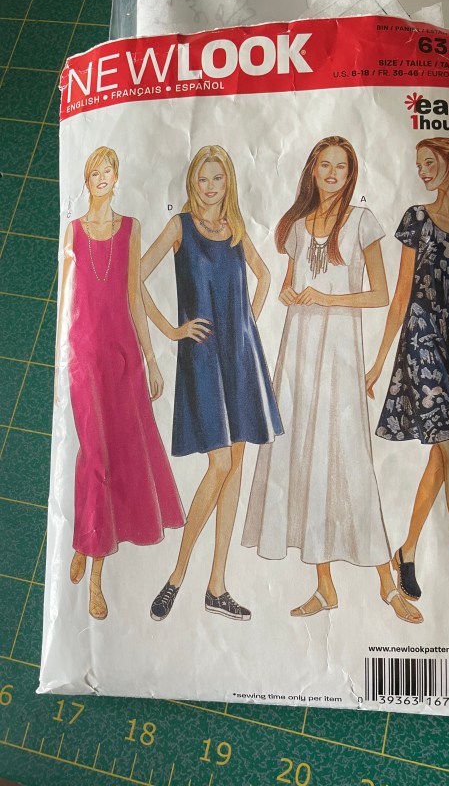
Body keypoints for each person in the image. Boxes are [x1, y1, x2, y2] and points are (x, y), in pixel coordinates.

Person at [243, 136, 422, 624]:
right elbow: (287, 285)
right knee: (304, 458)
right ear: (312, 169)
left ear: (350, 174)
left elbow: (380, 294)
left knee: (351, 461)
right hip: (300, 351)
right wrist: (291, 293)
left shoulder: (362, 221)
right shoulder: (299, 226)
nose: (332, 173)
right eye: (325, 164)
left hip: (340, 351)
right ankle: (324, 587)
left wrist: (327, 300)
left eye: (341, 166)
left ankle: (387, 585)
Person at [142, 145, 282, 622]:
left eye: (217, 178)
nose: (208, 187)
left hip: (240, 357)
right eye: (201, 179)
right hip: (202, 356)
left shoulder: (236, 229)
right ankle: (177, 575)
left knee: (234, 464)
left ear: (228, 183)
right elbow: (134, 276)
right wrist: (172, 330)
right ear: (192, 182)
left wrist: (247, 325)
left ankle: (217, 586)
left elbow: (265, 277)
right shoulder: (179, 226)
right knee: (220, 463)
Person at [366, 135, 449, 622]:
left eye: (429, 163)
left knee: (442, 460)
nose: (422, 171)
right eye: (418, 164)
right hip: (422, 341)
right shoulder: (416, 220)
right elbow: (401, 296)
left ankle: (407, 549)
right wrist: (380, 361)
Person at [55, 146, 185, 621]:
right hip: (84, 359)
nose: (102, 177)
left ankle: (85, 543)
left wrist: (151, 358)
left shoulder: (131, 228)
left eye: (108, 170)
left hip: (123, 357)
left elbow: (134, 295)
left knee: (118, 456)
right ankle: (95, 578)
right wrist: (61, 363)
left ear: (117, 177)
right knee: (95, 457)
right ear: (87, 180)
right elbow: (64, 300)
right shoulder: (73, 232)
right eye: (95, 171)